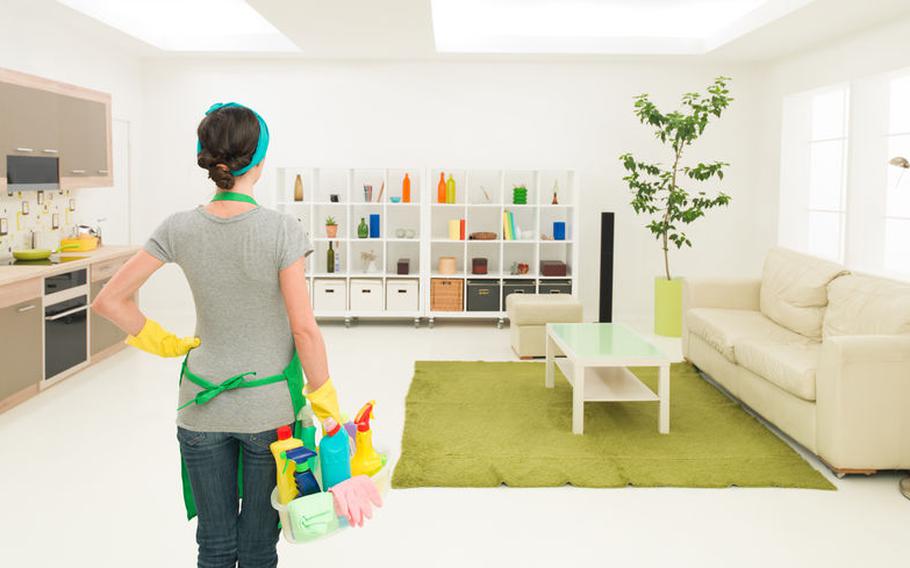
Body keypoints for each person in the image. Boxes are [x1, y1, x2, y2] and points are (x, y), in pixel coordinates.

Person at [92, 102, 380, 568]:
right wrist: (327, 408)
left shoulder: (178, 227)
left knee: (215, 542)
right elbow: (303, 328)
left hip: (199, 406)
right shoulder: (281, 230)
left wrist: (163, 341)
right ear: (259, 161)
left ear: (209, 159)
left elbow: (109, 300)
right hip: (271, 417)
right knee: (259, 545)